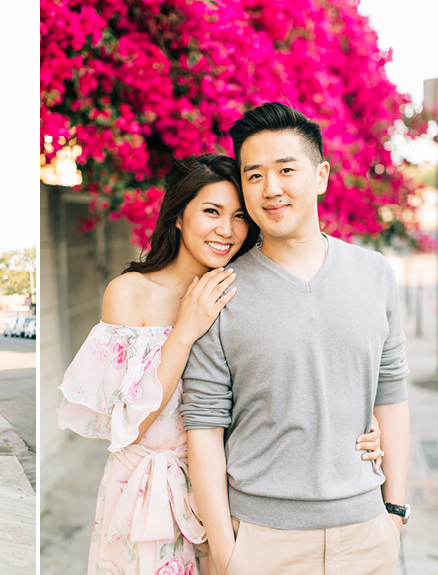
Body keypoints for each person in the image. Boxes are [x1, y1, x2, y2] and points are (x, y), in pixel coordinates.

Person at [57, 154, 383, 575]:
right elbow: (129, 423)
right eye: (211, 212)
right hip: (146, 501)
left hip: (227, 495)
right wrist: (186, 329)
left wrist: (358, 421)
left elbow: (286, 379)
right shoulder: (130, 292)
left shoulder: (243, 290)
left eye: (239, 216)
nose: (226, 230)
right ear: (177, 216)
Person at [180, 102, 410, 575]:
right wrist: (225, 551)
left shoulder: (374, 274)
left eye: (286, 169)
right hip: (261, 541)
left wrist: (395, 512)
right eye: (255, 175)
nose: (272, 188)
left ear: (321, 175)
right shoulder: (219, 291)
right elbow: (203, 423)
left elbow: (391, 391)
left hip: (367, 532)